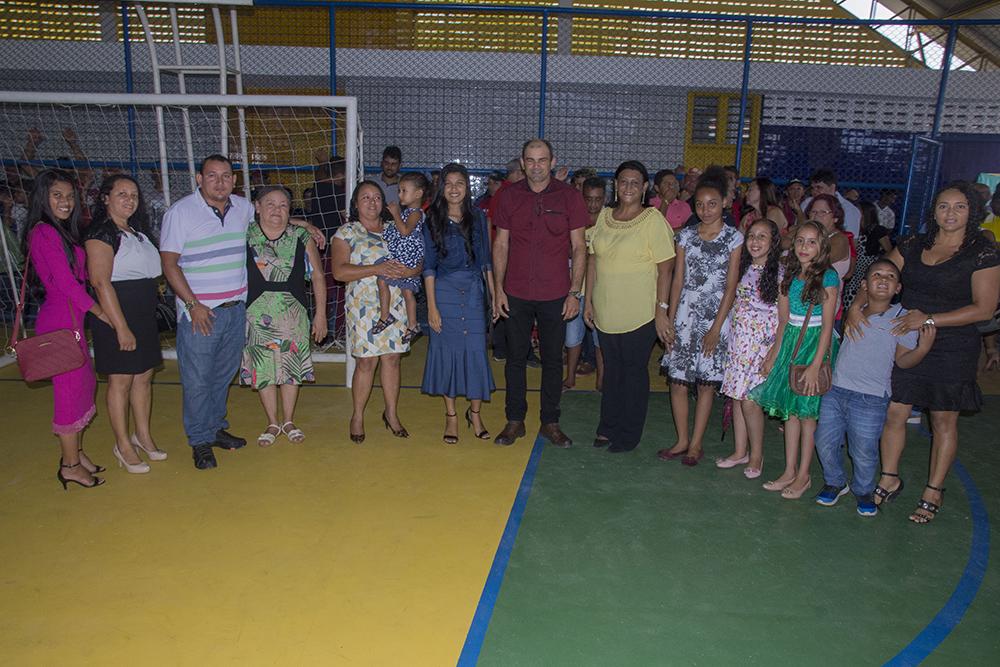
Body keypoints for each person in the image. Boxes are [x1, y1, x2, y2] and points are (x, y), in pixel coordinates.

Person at [847, 182, 1000, 524]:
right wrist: (857, 305)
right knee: (895, 411)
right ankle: (889, 476)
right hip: (906, 340)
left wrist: (928, 319)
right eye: (943, 206)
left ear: (972, 211)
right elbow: (878, 274)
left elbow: (984, 309)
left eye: (959, 207)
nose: (950, 213)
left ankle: (933, 490)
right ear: (934, 211)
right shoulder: (914, 245)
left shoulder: (982, 251)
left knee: (943, 419)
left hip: (953, 345)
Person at [160, 154, 325, 469]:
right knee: (198, 379)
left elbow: (275, 216)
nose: (219, 181)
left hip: (237, 310)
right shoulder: (180, 213)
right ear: (199, 178)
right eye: (212, 175)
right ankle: (200, 441)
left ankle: (216, 428)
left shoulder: (241, 209)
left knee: (222, 376)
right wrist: (193, 305)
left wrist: (304, 224)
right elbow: (168, 264)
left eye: (226, 175)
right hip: (201, 311)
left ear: (234, 181)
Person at [815, 260, 934, 516]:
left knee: (864, 450)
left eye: (890, 276)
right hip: (836, 390)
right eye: (876, 275)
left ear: (898, 287)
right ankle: (835, 481)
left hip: (871, 397)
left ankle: (863, 490)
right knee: (824, 441)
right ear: (865, 284)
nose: (883, 279)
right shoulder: (855, 310)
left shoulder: (902, 318)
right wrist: (856, 306)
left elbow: (903, 360)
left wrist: (922, 349)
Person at [491, 139, 588, 447]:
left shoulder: (570, 197)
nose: (536, 166)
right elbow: (501, 245)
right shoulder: (508, 197)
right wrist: (498, 290)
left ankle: (550, 421)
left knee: (551, 360)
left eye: (541, 160)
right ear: (522, 162)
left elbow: (579, 247)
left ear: (552, 161)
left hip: (556, 293)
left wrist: (574, 292)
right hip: (516, 291)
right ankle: (515, 420)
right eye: (530, 160)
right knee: (515, 359)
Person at [23, 170, 112, 488]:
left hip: (74, 321)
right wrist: (101, 312)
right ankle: (70, 466)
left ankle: (77, 452)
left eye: (70, 196)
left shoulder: (62, 231)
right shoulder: (43, 232)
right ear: (42, 198)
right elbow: (65, 284)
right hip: (60, 322)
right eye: (57, 195)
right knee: (68, 394)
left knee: (83, 388)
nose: (66, 202)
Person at [584, 161, 674, 453]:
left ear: (646, 187)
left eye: (635, 183)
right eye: (623, 181)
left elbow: (666, 269)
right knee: (611, 371)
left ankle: (628, 434)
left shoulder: (652, 220)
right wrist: (588, 300)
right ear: (616, 185)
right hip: (606, 310)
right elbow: (593, 259)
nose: (628, 188)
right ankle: (607, 427)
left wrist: (662, 310)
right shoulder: (605, 217)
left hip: (640, 314)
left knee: (633, 373)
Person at [749, 221, 840, 500]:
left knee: (807, 413)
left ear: (822, 246)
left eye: (812, 242)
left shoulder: (828, 277)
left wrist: (815, 365)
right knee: (790, 412)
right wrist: (774, 355)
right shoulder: (788, 274)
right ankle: (789, 470)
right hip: (791, 342)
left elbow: (827, 326)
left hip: (814, 344)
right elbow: (783, 320)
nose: (804, 247)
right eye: (800, 241)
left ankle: (804, 474)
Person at [658, 167, 743, 466]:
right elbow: (677, 280)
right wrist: (667, 315)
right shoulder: (686, 237)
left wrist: (717, 328)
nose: (706, 210)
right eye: (700, 204)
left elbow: (731, 286)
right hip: (685, 316)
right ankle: (681, 439)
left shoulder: (734, 239)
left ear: (723, 204)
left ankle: (696, 444)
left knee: (706, 382)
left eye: (712, 204)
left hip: (715, 319)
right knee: (678, 381)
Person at [85, 174, 166, 474]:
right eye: (121, 194)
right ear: (105, 198)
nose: (129, 199)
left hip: (144, 312)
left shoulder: (137, 231)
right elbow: (100, 282)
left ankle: (142, 435)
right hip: (118, 312)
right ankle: (123, 445)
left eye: (133, 194)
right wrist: (120, 327)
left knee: (143, 376)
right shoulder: (101, 233)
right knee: (120, 381)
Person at [331, 181, 421, 443]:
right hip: (363, 306)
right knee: (366, 362)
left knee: (392, 359)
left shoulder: (396, 228)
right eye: (365, 197)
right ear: (356, 204)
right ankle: (357, 415)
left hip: (396, 304)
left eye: (377, 197)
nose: (372, 202)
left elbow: (418, 257)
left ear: (384, 202)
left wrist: (411, 271)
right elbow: (339, 271)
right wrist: (376, 269)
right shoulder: (347, 232)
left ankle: (391, 414)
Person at [240, 185, 326, 446]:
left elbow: (319, 277)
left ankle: (288, 420)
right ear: (257, 206)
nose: (277, 210)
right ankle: (272, 422)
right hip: (257, 313)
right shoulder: (245, 233)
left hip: (293, 312)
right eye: (270, 204)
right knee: (263, 367)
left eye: (283, 205)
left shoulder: (301, 236)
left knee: (291, 368)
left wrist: (320, 315)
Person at [421, 163, 495, 443]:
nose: (454, 188)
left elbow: (486, 261)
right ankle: (451, 416)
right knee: (447, 353)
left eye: (460, 183)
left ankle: (475, 413)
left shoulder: (478, 218)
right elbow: (428, 266)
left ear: (467, 187)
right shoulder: (432, 219)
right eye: (449, 183)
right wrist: (432, 307)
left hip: (474, 293)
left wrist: (495, 296)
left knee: (476, 351)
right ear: (442, 188)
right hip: (444, 292)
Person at [717, 219, 783, 478]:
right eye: (751, 236)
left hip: (760, 348)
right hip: (738, 345)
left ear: (773, 242)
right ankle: (740, 450)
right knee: (737, 398)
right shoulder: (741, 267)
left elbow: (783, 318)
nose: (755, 241)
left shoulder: (779, 273)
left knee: (751, 402)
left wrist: (773, 353)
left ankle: (757, 455)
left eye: (762, 237)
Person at [564, 176, 605, 392]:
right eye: (588, 199)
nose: (592, 204)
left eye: (597, 199)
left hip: (601, 289)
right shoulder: (574, 219)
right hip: (576, 288)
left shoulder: (609, 221)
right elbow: (569, 251)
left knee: (600, 337)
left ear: (605, 198)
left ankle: (601, 378)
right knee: (572, 335)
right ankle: (569, 376)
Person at [376, 171, 428, 342]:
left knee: (403, 290)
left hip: (408, 258)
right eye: (399, 190)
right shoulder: (409, 212)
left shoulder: (415, 213)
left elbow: (405, 231)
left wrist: (396, 213)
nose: (399, 194)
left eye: (404, 190)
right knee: (396, 288)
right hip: (402, 255)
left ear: (418, 194)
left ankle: (409, 323)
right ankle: (392, 318)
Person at [843, 201, 892, 309]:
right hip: (854, 272)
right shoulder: (854, 229)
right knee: (849, 300)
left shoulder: (877, 230)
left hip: (867, 270)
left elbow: (889, 250)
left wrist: (877, 263)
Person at [804, 168, 860, 237]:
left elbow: (851, 242)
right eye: (812, 188)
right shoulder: (806, 203)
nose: (814, 191)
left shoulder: (850, 210)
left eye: (819, 187)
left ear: (832, 187)